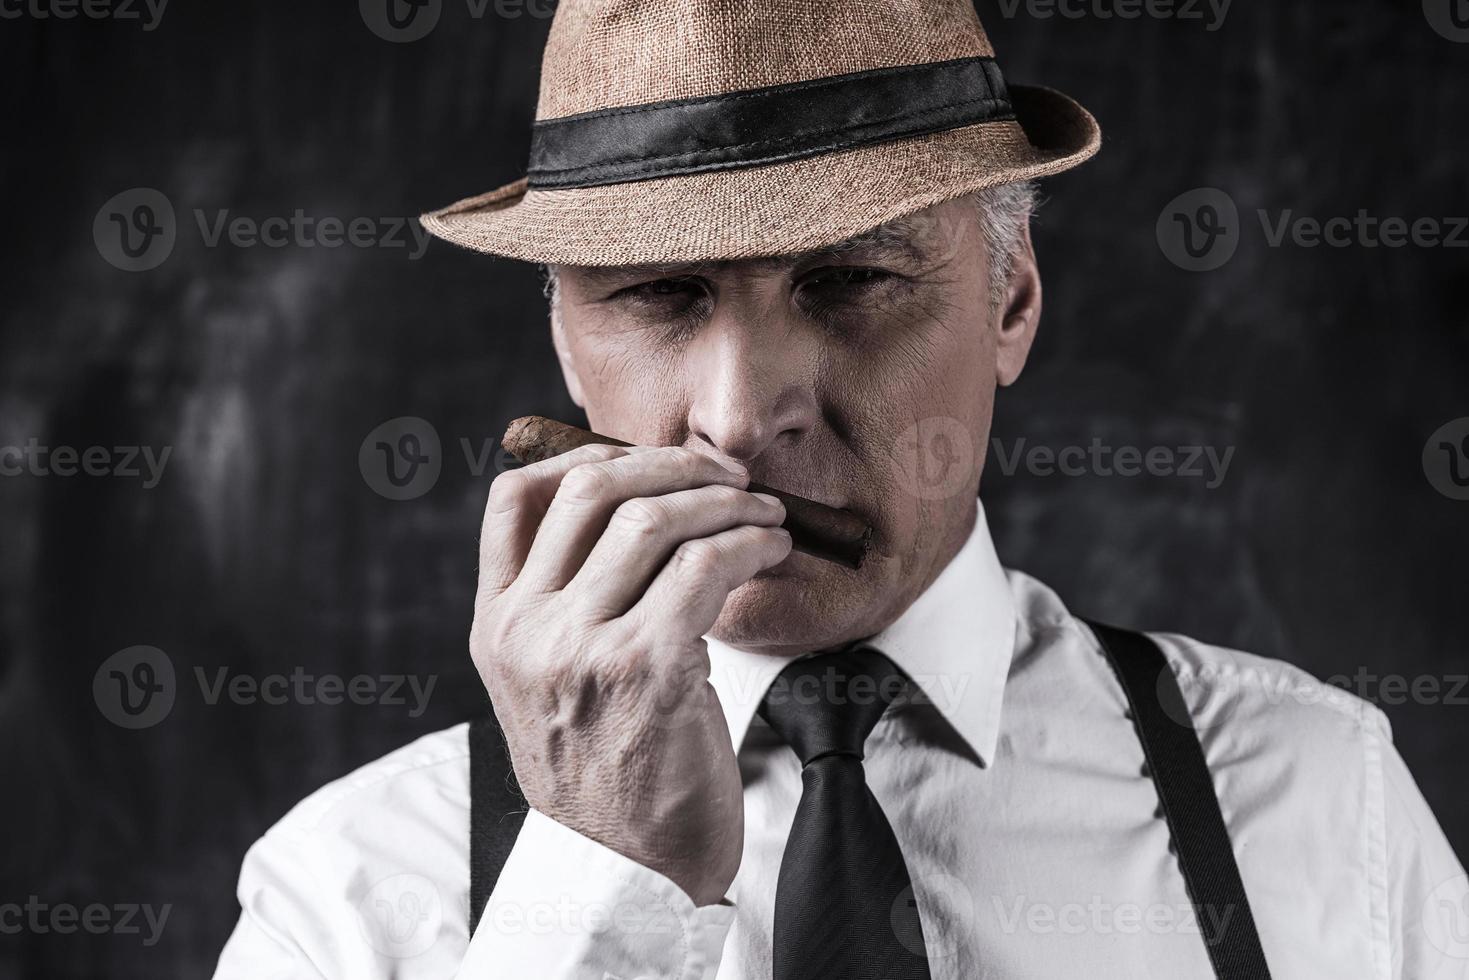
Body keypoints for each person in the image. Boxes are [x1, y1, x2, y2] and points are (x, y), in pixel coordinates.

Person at [213, 0, 1467, 977]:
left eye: (848, 280)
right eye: (659, 295)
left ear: (1011, 299)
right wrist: (598, 874)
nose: (741, 414)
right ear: (562, 344)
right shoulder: (352, 890)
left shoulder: (1312, 798)